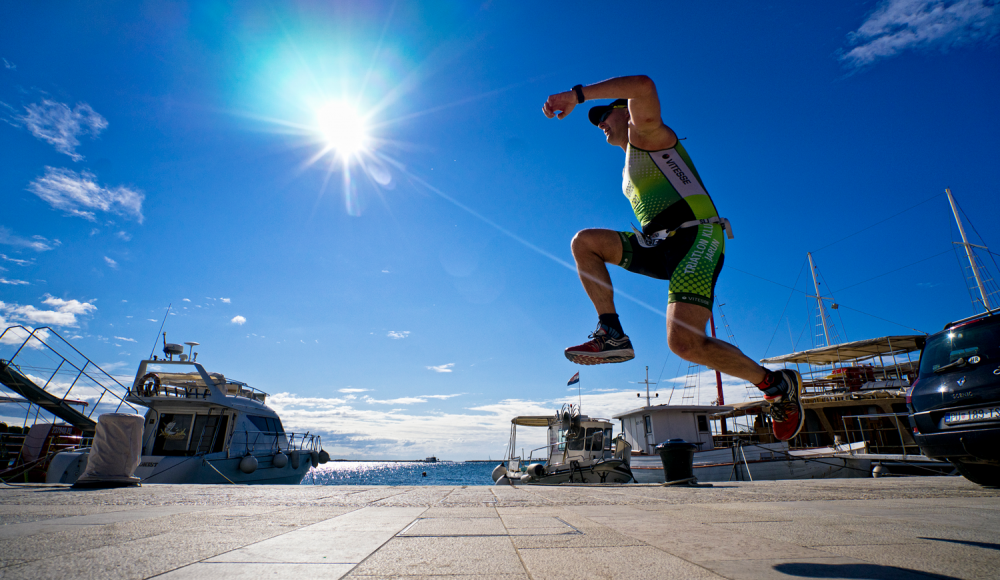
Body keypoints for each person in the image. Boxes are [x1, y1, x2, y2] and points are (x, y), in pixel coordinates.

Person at [542, 75, 804, 441]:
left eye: (605, 114)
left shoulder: (648, 137)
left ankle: (776, 386)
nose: (600, 123)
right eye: (596, 118)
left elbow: (644, 86)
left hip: (697, 236)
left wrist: (578, 96)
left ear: (626, 111)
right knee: (584, 243)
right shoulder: (627, 167)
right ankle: (611, 331)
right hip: (660, 244)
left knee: (684, 344)